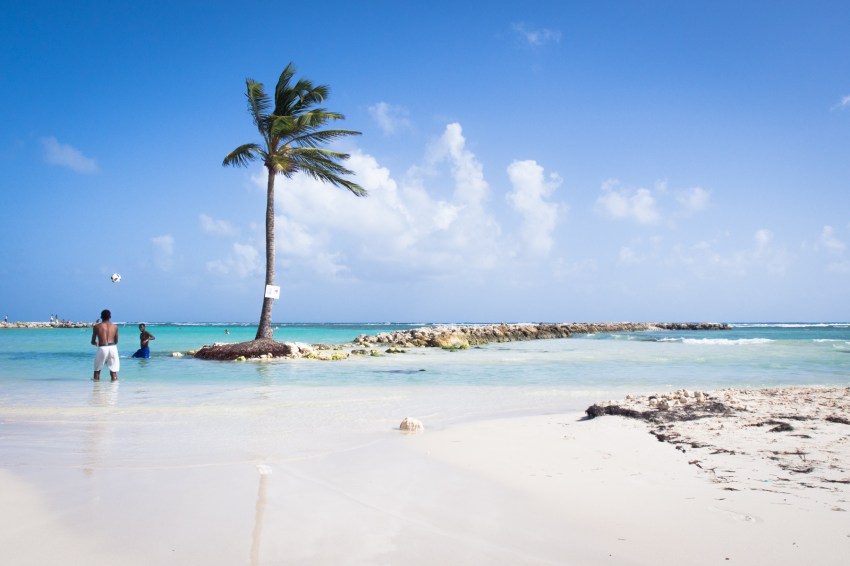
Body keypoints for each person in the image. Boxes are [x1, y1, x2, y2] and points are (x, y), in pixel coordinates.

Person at [91, 309, 119, 381]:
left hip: (102, 347)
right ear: (110, 316)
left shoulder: (97, 326)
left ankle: (96, 389)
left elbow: (92, 341)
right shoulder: (115, 327)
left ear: (101, 316)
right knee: (113, 371)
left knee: (97, 371)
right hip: (112, 347)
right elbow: (116, 341)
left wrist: (96, 342)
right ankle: (114, 389)